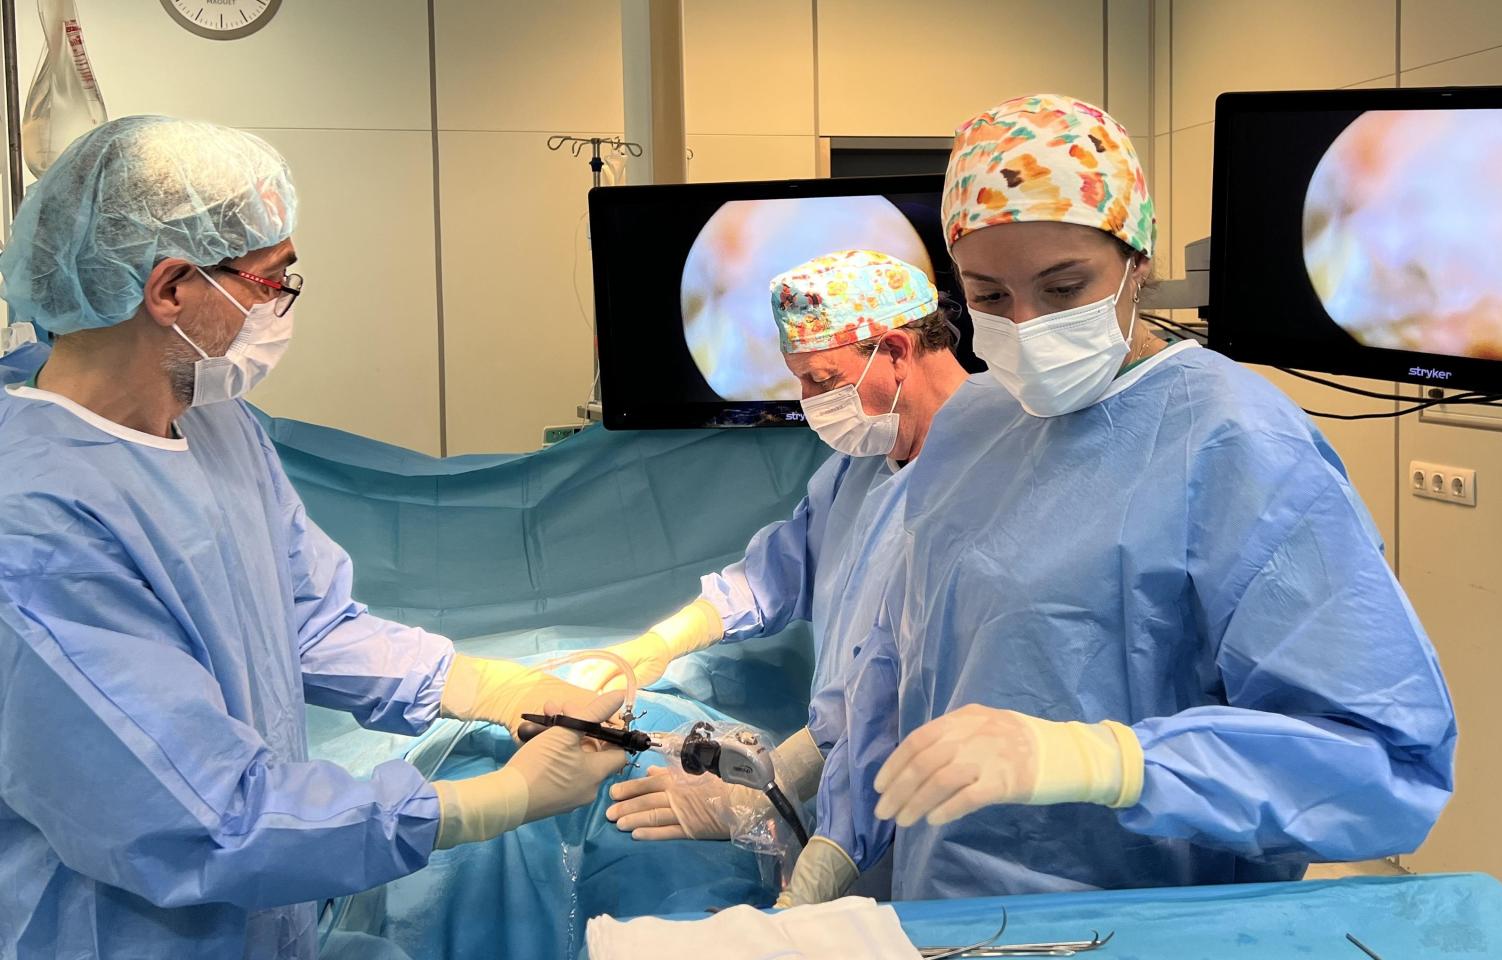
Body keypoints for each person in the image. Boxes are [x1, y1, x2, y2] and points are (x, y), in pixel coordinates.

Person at [788, 94, 1458, 904]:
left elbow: (1381, 762)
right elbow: (903, 662)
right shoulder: (974, 425)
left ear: (1136, 262)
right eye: (991, 296)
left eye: (1064, 287)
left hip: (1138, 916)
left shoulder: (1234, 443)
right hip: (944, 902)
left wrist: (1107, 761)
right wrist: (836, 843)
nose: (1026, 325)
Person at [0, 116, 627, 960]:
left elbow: (308, 621)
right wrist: (487, 802)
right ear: (171, 288)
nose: (277, 308)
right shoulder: (32, 522)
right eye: (268, 280)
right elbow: (204, 818)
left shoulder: (218, 425)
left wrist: (483, 686)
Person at [595, 250, 972, 856]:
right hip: (842, 796)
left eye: (822, 380)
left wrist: (764, 789)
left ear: (897, 352)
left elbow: (902, 688)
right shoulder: (860, 468)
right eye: (798, 379)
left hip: (938, 816)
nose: (807, 400)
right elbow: (776, 574)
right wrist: (657, 645)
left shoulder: (990, 474)